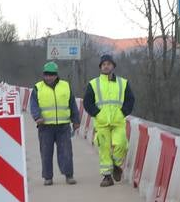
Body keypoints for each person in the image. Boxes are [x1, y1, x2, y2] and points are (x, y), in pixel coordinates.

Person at [82, 53, 135, 187]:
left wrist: (122, 113)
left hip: (118, 122)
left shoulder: (123, 83)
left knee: (121, 144)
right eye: (104, 64)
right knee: (104, 149)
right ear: (100, 67)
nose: (106, 66)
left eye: (108, 64)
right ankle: (107, 177)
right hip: (101, 123)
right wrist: (97, 114)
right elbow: (87, 102)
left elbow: (130, 100)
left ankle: (116, 165)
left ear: (113, 66)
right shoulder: (94, 83)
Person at [29, 61, 80, 186]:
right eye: (46, 74)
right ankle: (48, 177)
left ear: (56, 75)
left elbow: (72, 104)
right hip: (45, 127)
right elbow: (33, 105)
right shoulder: (37, 87)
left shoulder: (65, 86)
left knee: (66, 152)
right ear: (43, 75)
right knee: (46, 152)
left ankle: (69, 175)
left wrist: (76, 120)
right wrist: (37, 117)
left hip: (63, 126)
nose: (49, 77)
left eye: (51, 74)